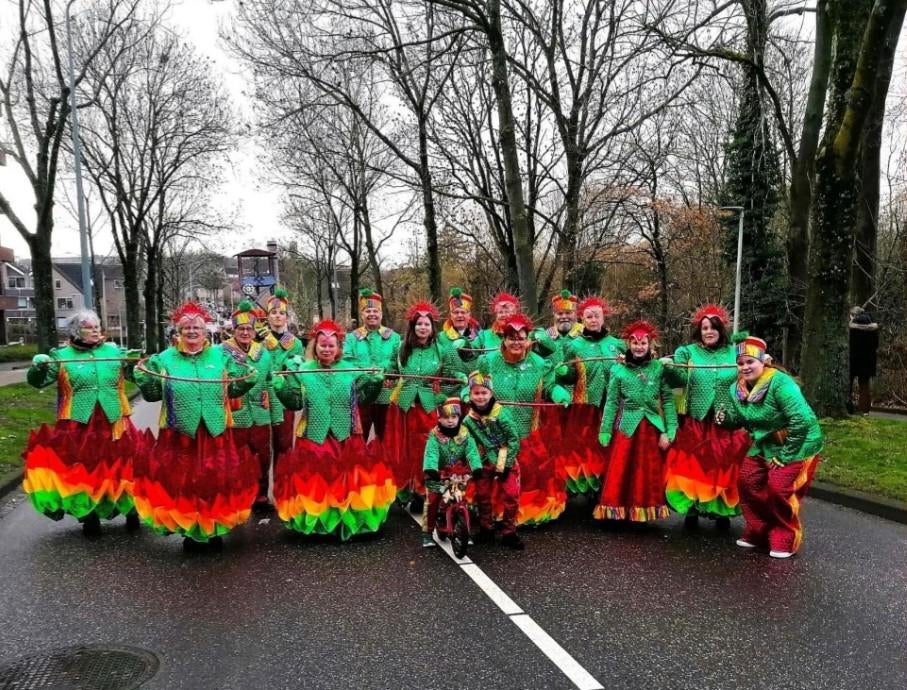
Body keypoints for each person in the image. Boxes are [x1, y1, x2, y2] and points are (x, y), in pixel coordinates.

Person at [132, 302, 257, 550]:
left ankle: (215, 528)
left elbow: (233, 387)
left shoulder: (221, 356)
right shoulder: (164, 359)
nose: (192, 332)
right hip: (180, 434)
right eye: (186, 328)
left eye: (196, 327)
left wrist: (248, 381)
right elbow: (153, 393)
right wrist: (143, 379)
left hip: (215, 430)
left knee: (217, 480)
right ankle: (190, 530)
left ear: (205, 330)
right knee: (184, 482)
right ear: (178, 332)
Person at [23, 310, 144, 537]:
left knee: (124, 466)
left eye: (97, 325)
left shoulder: (114, 351)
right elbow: (38, 382)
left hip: (115, 421)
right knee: (84, 471)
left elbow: (136, 376)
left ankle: (131, 511)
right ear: (76, 331)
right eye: (89, 327)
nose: (96, 330)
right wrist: (38, 367)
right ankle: (89, 514)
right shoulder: (61, 356)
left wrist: (135, 364)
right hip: (79, 424)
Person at [272, 319, 395, 540]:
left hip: (346, 434)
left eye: (331, 345)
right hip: (313, 435)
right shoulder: (303, 371)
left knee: (347, 479)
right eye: (322, 345)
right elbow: (295, 403)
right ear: (315, 346)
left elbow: (365, 398)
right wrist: (281, 390)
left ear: (338, 347)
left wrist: (375, 382)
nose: (327, 349)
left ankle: (345, 522)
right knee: (316, 481)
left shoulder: (351, 370)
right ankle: (320, 524)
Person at [716, 333, 823, 558]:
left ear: (764, 361)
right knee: (747, 481)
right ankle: (759, 528)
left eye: (750, 362)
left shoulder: (779, 383)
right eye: (741, 363)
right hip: (764, 443)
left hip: (798, 443)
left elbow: (801, 421)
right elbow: (742, 420)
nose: (745, 367)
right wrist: (724, 418)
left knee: (778, 486)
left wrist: (785, 456)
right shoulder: (738, 390)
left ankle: (785, 533)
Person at [474, 313, 572, 529]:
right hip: (496, 433)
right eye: (511, 337)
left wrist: (558, 393)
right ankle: (497, 512)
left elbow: (548, 386)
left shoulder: (539, 363)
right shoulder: (487, 362)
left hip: (529, 431)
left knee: (528, 473)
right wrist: (467, 393)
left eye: (521, 338)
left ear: (528, 339)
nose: (516, 342)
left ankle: (524, 513)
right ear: (504, 339)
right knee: (499, 471)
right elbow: (476, 386)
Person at [662, 304, 750, 529]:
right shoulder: (688, 352)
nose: (709, 332)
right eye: (704, 328)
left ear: (721, 330)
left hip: (726, 420)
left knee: (722, 466)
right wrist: (669, 368)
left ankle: (721, 512)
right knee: (693, 466)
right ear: (699, 331)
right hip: (696, 420)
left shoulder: (735, 352)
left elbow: (751, 372)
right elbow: (678, 380)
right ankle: (691, 510)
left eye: (713, 327)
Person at [384, 301, 468, 507]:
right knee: (403, 448)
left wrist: (460, 376)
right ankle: (404, 488)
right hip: (403, 405)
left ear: (432, 327)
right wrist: (384, 374)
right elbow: (391, 368)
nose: (423, 327)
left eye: (427, 324)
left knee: (426, 447)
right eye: (419, 324)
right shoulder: (400, 347)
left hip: (429, 406)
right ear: (413, 327)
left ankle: (424, 489)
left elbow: (449, 373)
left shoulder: (442, 349)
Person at [596, 321, 677, 522]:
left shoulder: (659, 368)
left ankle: (641, 512)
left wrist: (670, 428)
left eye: (643, 343)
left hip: (650, 428)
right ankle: (616, 512)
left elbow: (667, 400)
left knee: (645, 473)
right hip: (626, 428)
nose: (639, 347)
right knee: (621, 470)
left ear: (650, 345)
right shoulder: (618, 370)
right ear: (628, 344)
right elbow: (612, 402)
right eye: (634, 343)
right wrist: (605, 429)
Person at [557, 296, 626, 495]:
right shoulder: (574, 346)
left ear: (604, 318)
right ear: (582, 320)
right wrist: (564, 372)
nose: (593, 320)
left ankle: (608, 487)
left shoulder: (617, 344)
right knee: (587, 448)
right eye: (589, 317)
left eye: (597, 316)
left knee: (610, 446)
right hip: (586, 406)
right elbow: (570, 377)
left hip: (612, 406)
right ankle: (589, 488)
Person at [221, 300, 275, 512]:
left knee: (262, 456)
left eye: (249, 329)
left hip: (261, 414)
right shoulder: (222, 353)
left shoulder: (263, 353)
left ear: (255, 331)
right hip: (236, 415)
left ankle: (261, 496)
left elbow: (270, 382)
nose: (245, 332)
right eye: (240, 329)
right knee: (237, 459)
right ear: (233, 330)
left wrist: (275, 413)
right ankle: (239, 497)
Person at [462, 372, 525, 549]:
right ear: (470, 395)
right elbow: (469, 443)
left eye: (484, 393)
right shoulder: (468, 419)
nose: (480, 397)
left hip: (505, 459)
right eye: (476, 393)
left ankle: (509, 532)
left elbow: (514, 439)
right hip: (484, 461)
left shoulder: (501, 414)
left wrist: (507, 463)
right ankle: (486, 529)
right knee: (482, 496)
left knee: (511, 495)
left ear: (491, 394)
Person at [421, 396, 482, 548]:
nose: (450, 421)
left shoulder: (465, 434)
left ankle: (464, 530)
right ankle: (427, 534)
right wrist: (431, 469)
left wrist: (476, 467)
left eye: (454, 417)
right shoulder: (435, 436)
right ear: (439, 419)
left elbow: (472, 452)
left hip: (458, 474)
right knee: (433, 501)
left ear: (459, 417)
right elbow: (431, 454)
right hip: (439, 476)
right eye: (445, 417)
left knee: (463, 500)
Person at [342, 288, 401, 439]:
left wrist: (387, 371)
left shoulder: (394, 337)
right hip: (361, 396)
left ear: (381, 314)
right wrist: (366, 375)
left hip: (386, 395)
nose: (372, 314)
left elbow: (397, 362)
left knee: (386, 440)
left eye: (375, 311)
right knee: (358, 441)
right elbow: (347, 362)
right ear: (362, 314)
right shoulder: (351, 338)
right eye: (367, 311)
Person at [259, 288, 303, 460]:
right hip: (262, 399)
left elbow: (294, 372)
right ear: (268, 316)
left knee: (284, 447)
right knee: (262, 447)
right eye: (274, 312)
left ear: (286, 317)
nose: (278, 316)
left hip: (284, 400)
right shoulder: (259, 341)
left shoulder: (296, 343)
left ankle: (283, 484)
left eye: (282, 313)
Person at [532, 289, 583, 361]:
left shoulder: (585, 334)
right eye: (560, 313)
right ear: (554, 315)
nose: (564, 316)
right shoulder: (546, 336)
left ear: (575, 314)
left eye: (568, 313)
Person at [848, 306, 880, 415]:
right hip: (868, 360)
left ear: (853, 315)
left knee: (848, 384)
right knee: (864, 386)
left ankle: (848, 408)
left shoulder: (851, 326)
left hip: (853, 359)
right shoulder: (872, 326)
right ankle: (865, 411)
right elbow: (876, 344)